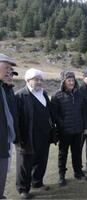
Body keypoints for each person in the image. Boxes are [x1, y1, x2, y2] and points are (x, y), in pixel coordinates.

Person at [15, 68, 56, 199]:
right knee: (25, 164)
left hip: (44, 135)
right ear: (28, 80)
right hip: (27, 136)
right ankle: (23, 189)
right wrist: (19, 137)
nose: (39, 82)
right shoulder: (20, 95)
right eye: (36, 79)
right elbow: (16, 119)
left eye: (40, 79)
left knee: (41, 161)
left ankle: (37, 182)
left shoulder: (43, 94)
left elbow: (49, 113)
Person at [51, 71, 87, 187]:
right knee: (63, 154)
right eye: (69, 80)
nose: (71, 82)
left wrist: (85, 126)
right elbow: (54, 114)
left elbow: (83, 112)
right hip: (65, 131)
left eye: (73, 80)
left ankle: (78, 172)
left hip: (78, 130)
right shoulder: (57, 96)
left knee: (77, 153)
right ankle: (61, 175)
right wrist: (62, 124)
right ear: (64, 82)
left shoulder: (79, 94)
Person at [0, 54, 16, 199]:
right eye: (6, 68)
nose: (8, 72)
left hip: (5, 141)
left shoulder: (5, 90)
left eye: (10, 70)